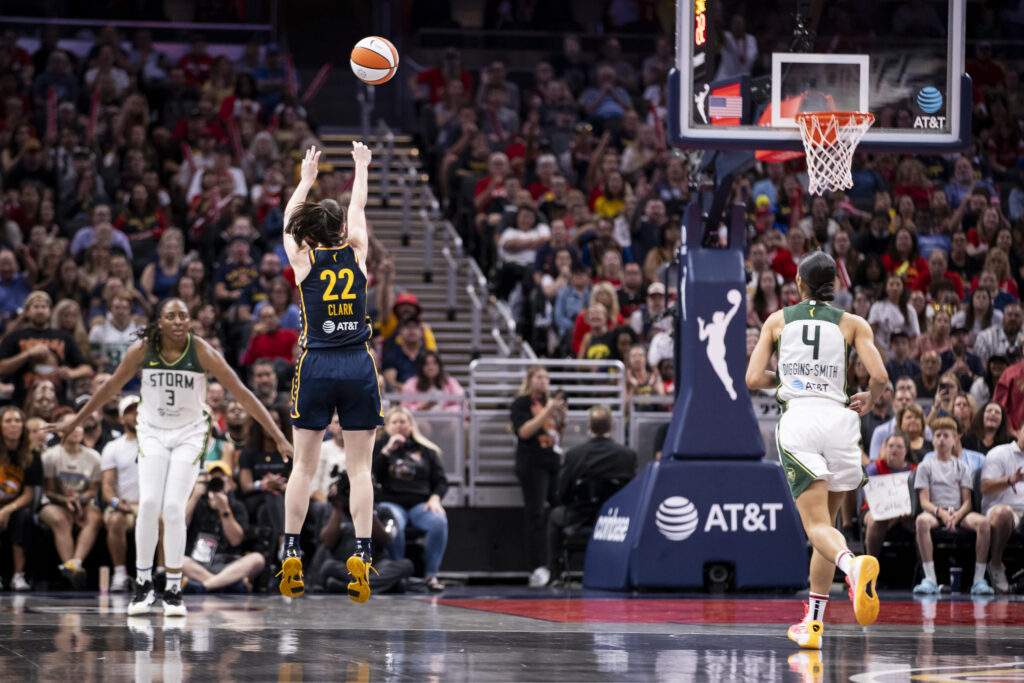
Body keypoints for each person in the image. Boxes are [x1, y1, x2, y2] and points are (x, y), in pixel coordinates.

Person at [50, 297, 293, 617]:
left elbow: (242, 393)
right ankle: (143, 584)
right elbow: (110, 388)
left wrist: (277, 436)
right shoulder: (141, 350)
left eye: (184, 316)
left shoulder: (202, 350)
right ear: (160, 321)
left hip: (189, 434)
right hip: (151, 430)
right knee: (149, 504)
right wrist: (75, 421)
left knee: (174, 507)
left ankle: (174, 588)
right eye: (171, 316)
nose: (179, 321)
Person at [746, 251, 887, 650]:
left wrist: (787, 379)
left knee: (817, 530)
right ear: (834, 287)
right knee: (828, 527)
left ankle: (852, 565)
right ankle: (812, 622)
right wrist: (871, 400)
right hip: (841, 421)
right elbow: (879, 376)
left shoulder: (777, 320)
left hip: (801, 421)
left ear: (798, 283)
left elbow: (753, 376)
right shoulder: (853, 323)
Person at [277, 144, 384, 604]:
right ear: (341, 230)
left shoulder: (304, 261)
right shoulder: (357, 254)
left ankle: (290, 549)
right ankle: (362, 550)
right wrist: (362, 168)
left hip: (316, 363)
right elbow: (357, 205)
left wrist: (305, 178)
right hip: (358, 363)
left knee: (304, 465)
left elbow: (287, 221)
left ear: (309, 232)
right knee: (361, 469)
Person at [544, 405, 637, 585]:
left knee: (555, 517)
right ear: (611, 426)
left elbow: (562, 494)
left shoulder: (574, 455)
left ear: (589, 427)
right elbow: (633, 493)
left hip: (580, 516)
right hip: (615, 520)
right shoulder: (628, 456)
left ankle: (555, 575)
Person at [913, 417, 996, 595]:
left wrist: (956, 516)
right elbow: (924, 501)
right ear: (933, 439)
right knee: (921, 521)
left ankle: (979, 580)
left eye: (946, 435)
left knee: (983, 523)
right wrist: (941, 513)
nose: (941, 439)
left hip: (959, 512)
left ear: (954, 439)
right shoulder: (925, 466)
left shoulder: (963, 467)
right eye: (938, 435)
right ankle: (930, 579)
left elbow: (967, 501)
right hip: (935, 512)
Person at [373, 407, 449, 592]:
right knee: (394, 522)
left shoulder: (427, 450)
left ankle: (431, 574)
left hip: (420, 504)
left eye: (403, 422)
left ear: (411, 425)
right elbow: (371, 474)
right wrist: (388, 450)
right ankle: (399, 573)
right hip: (391, 501)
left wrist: (435, 498)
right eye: (395, 422)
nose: (399, 426)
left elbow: (441, 481)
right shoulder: (378, 448)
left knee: (439, 521)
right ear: (387, 426)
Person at [511, 366, 567, 587]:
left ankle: (557, 566)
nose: (543, 381)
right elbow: (524, 432)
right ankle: (537, 567)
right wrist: (549, 410)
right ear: (530, 379)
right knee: (536, 514)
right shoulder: (522, 403)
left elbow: (556, 433)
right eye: (539, 377)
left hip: (553, 461)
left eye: (546, 377)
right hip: (532, 464)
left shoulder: (549, 403)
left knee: (559, 512)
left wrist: (560, 414)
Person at [38, 413, 103, 589]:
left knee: (95, 517)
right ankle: (72, 570)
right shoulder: (50, 456)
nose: (76, 429)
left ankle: (74, 563)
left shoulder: (94, 457)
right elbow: (48, 490)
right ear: (60, 432)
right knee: (60, 519)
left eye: (79, 426)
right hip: (55, 502)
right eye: (71, 425)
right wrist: (65, 500)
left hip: (82, 502)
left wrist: (79, 499)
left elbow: (93, 490)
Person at [182, 461, 265, 593]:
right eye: (213, 479)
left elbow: (236, 540)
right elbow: (181, 526)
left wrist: (224, 509)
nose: (217, 484)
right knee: (179, 560)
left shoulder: (236, 506)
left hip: (228, 564)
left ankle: (206, 586)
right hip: (198, 563)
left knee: (257, 559)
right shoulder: (197, 503)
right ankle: (226, 584)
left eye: (221, 479)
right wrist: (195, 495)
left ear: (230, 483)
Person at [101, 395, 142, 592]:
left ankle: (160, 574)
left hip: (150, 503)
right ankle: (119, 574)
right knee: (116, 520)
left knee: (163, 518)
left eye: (139, 410)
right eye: (130, 411)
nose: (136, 414)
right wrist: (116, 503)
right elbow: (107, 486)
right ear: (121, 418)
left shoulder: (157, 444)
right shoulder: (113, 447)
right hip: (126, 503)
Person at [0, 406, 43, 592]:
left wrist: (7, 510)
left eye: (17, 420)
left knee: (23, 516)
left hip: (17, 505)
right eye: (8, 421)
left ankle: (19, 575)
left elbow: (29, 493)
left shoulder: (32, 455)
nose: (13, 425)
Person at [979, 430, 1024, 592]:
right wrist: (1010, 480)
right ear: (1018, 432)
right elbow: (985, 487)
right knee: (1002, 513)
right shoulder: (999, 453)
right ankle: (996, 564)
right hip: (1001, 509)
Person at [862, 432, 916, 559]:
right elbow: (868, 498)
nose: (894, 450)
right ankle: (870, 565)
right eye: (891, 446)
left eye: (899, 446)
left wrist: (898, 513)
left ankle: (923, 570)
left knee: (920, 522)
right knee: (876, 520)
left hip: (906, 512)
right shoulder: (873, 469)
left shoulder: (915, 470)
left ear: (906, 450)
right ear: (885, 449)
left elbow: (918, 498)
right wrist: (891, 513)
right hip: (874, 510)